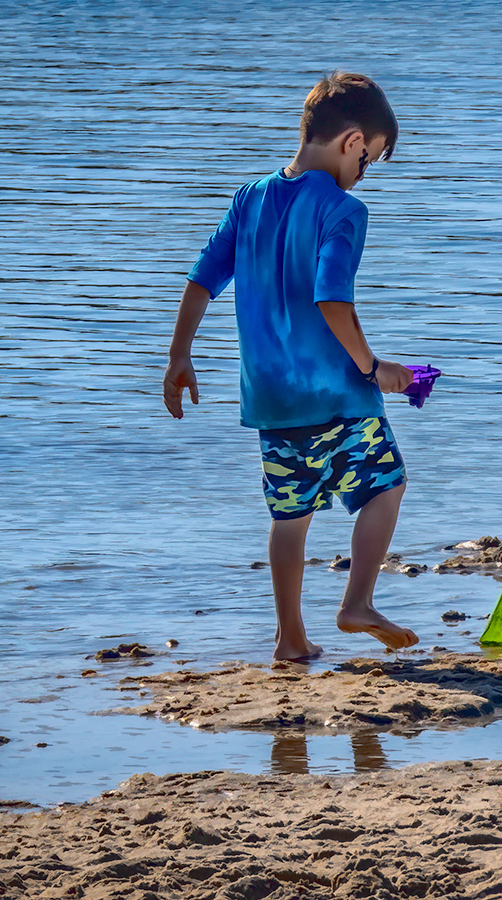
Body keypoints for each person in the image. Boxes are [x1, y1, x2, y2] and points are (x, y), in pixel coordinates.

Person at [163, 72, 419, 661]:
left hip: (272, 401)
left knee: (290, 515)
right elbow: (331, 298)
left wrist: (180, 353)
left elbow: (203, 277)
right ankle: (357, 601)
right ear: (353, 141)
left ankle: (290, 639)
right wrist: (373, 364)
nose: (365, 175)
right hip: (338, 394)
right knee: (386, 486)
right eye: (371, 160)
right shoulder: (343, 210)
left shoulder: (249, 197)